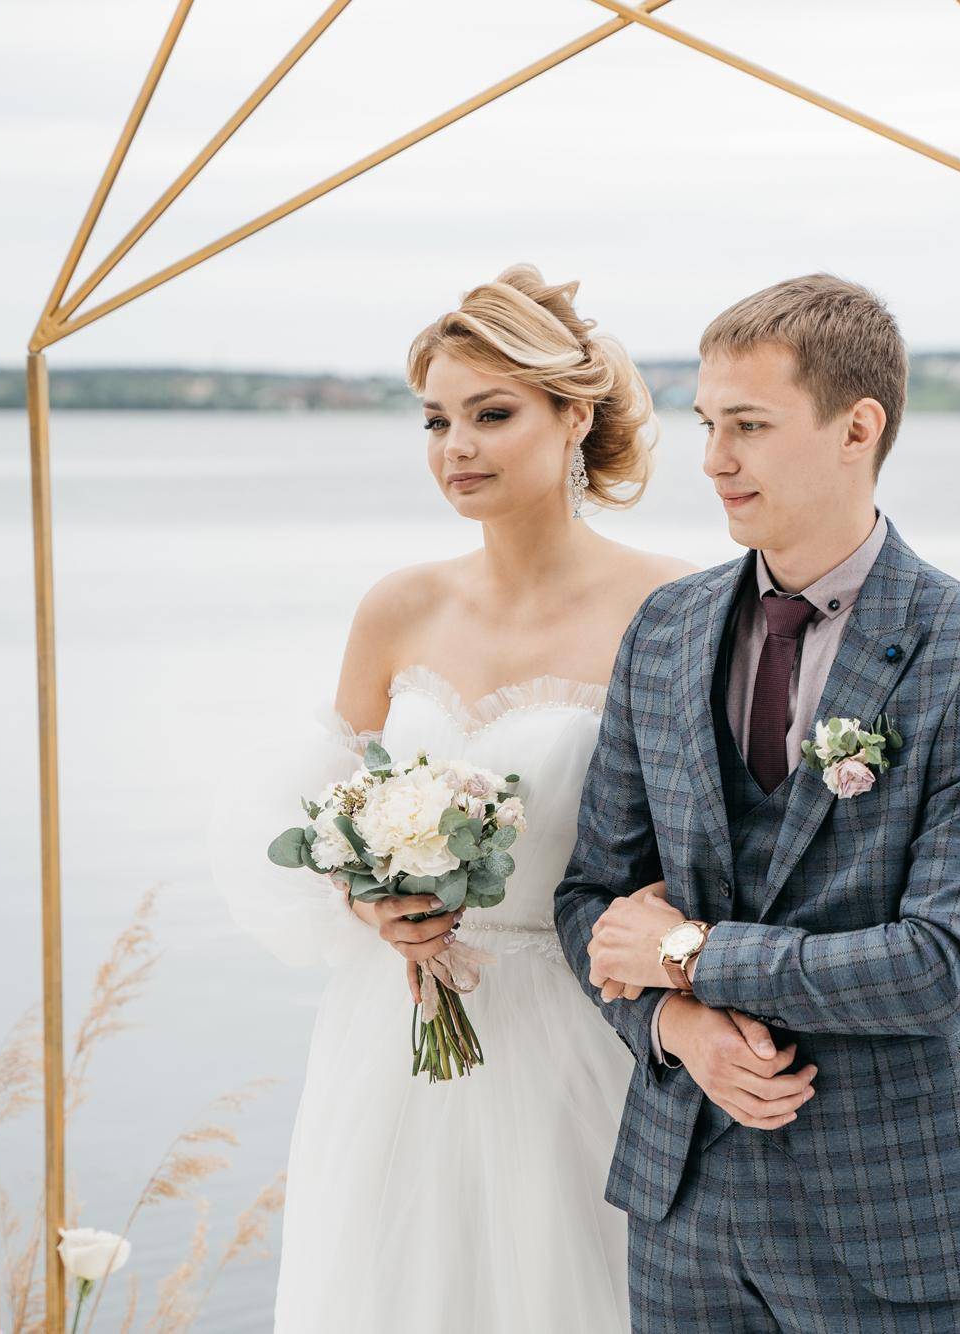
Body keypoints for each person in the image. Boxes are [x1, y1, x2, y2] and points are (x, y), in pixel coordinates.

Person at [556, 273, 960, 1332]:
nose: (713, 460)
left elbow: (936, 966)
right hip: (680, 1210)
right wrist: (673, 1023)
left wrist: (688, 952)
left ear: (855, 427)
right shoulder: (664, 629)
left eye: (748, 425)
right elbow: (592, 900)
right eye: (705, 424)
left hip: (892, 1218)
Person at [211, 263, 692, 1332]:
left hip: (575, 1027)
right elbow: (321, 814)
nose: (456, 447)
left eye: (490, 413)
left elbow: (704, 839)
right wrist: (366, 902)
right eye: (435, 419)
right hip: (395, 1036)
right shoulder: (399, 606)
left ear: (572, 416)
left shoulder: (670, 605)